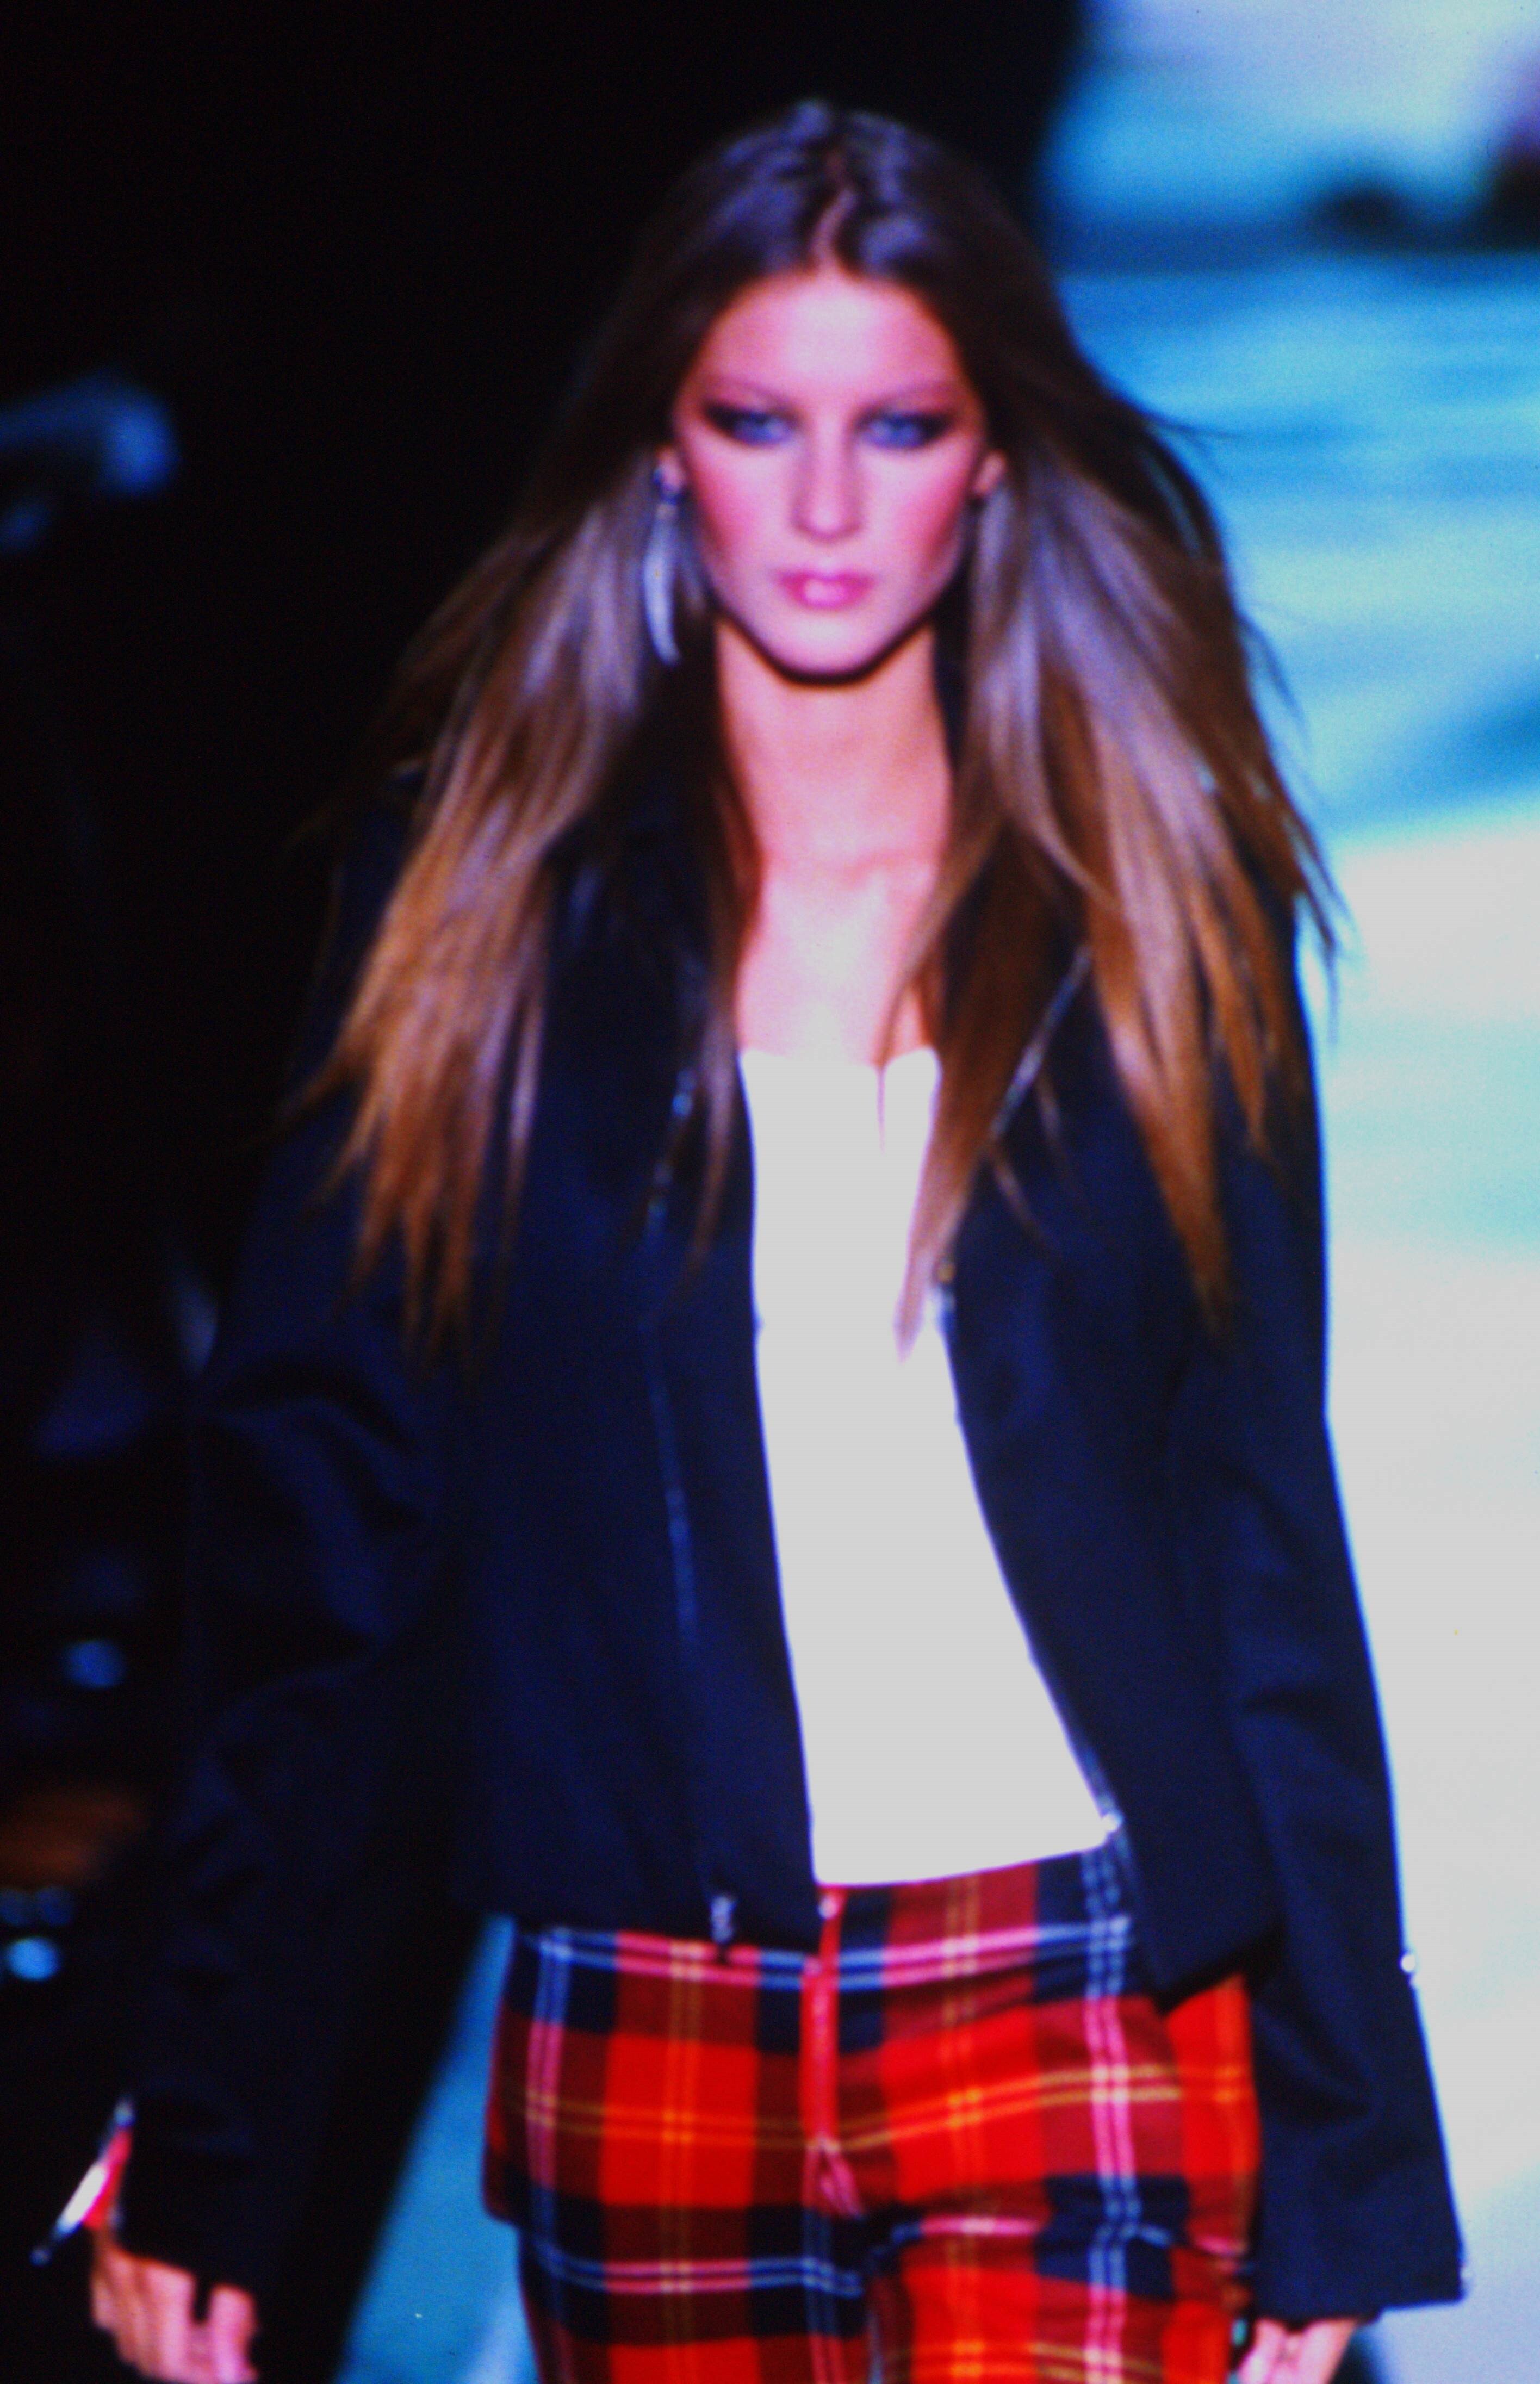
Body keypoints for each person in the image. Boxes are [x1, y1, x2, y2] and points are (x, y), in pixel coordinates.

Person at [89, 102, 1461, 2384]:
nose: (825, 504)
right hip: (649, 2011)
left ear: (992, 458)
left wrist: (1346, 2137)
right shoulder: (485, 915)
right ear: (662, 444)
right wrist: (213, 2110)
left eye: (896, 425)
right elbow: (329, 1533)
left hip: (1076, 1996)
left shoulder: (1144, 903)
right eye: (757, 422)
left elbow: (1251, 1525)